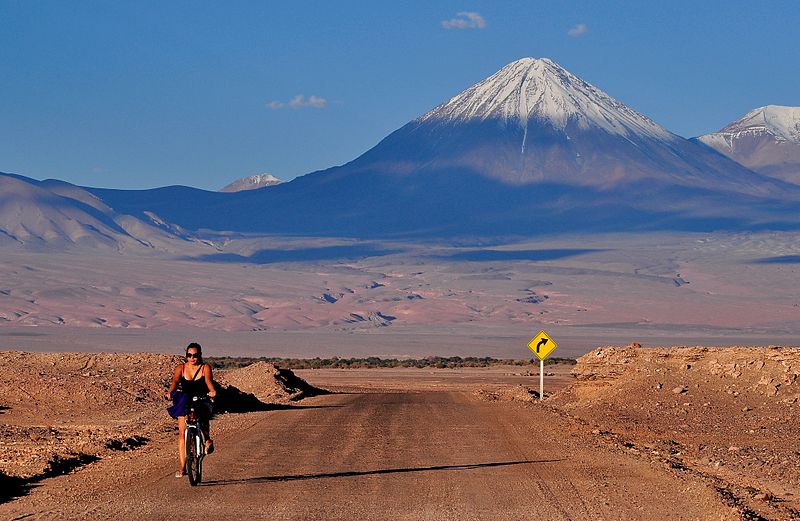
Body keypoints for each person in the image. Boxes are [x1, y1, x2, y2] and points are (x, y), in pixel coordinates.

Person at [166, 342, 217, 478]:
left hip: (201, 397)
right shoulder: (180, 368)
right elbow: (175, 382)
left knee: (203, 413)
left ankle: (206, 439)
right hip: (185, 399)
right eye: (189, 355)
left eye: (195, 355)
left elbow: (208, 381)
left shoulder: (205, 367)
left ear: (200, 355)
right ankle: (183, 467)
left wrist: (212, 391)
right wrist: (170, 392)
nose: (192, 358)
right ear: (186, 356)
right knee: (182, 433)